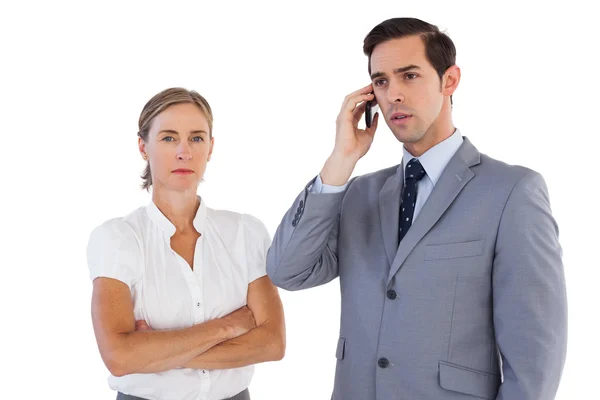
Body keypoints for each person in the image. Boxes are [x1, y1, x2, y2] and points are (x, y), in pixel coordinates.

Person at [266, 17, 567, 400]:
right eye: (381, 81)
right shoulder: (358, 193)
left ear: (450, 80)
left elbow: (535, 351)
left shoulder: (511, 192)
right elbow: (287, 271)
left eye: (409, 76)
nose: (393, 94)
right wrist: (340, 162)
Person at [86, 87, 285, 400]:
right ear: (143, 146)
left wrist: (154, 352)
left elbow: (272, 343)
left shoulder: (245, 233)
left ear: (210, 147)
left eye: (196, 137)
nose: (184, 151)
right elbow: (120, 357)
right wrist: (227, 327)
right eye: (168, 138)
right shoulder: (118, 238)